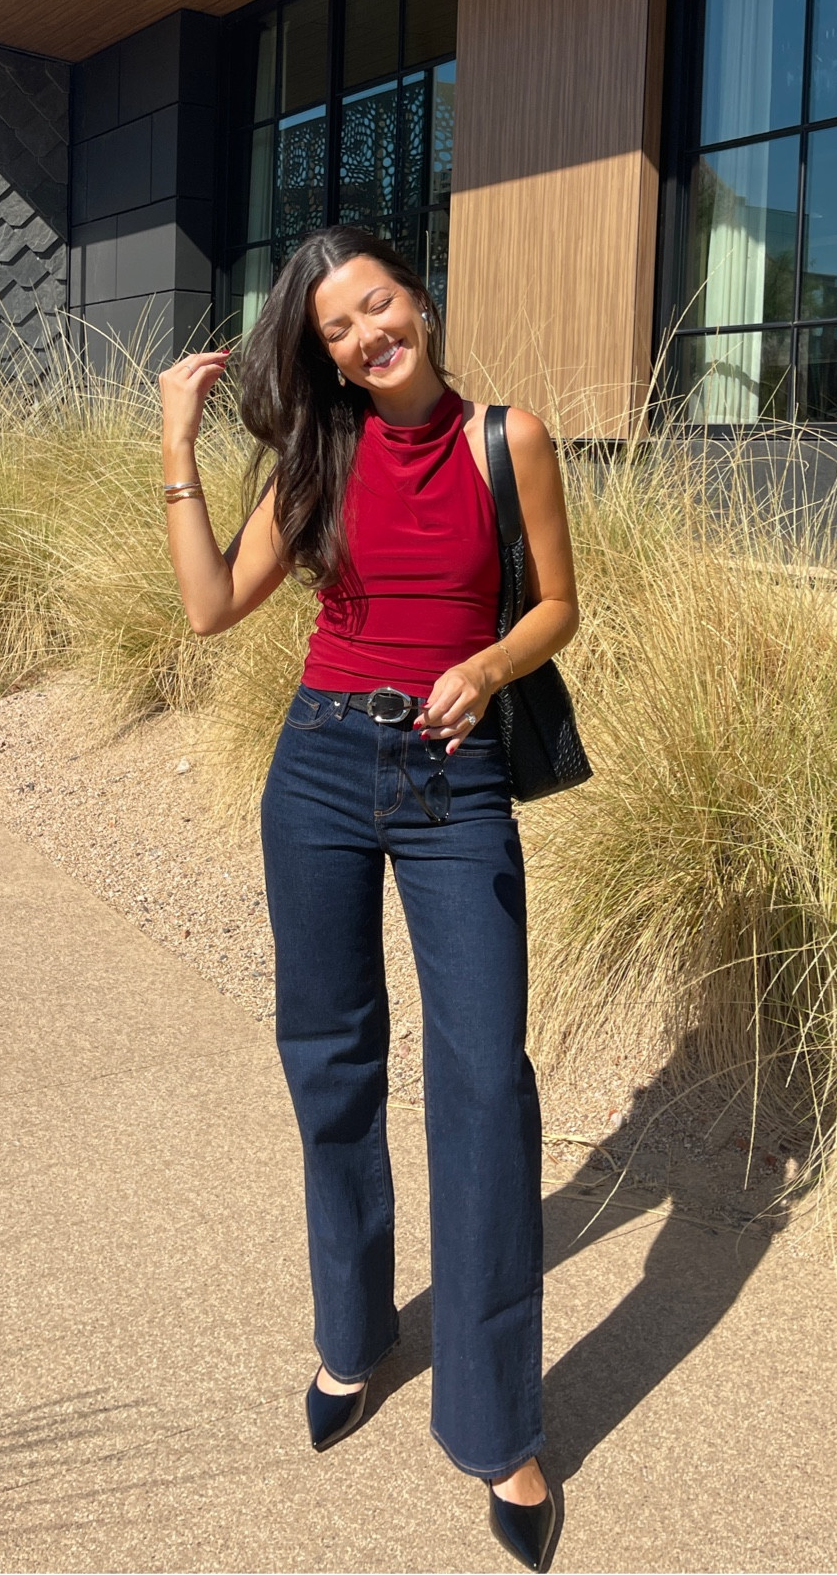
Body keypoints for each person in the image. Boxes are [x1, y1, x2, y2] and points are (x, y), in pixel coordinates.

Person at [158, 226, 579, 1571]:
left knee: (483, 1083)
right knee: (331, 1059)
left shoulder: (507, 439)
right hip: (324, 765)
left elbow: (559, 603)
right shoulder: (318, 457)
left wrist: (491, 661)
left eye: (377, 305)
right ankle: (352, 1337)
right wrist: (177, 441)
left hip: (454, 780)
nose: (363, 336)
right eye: (337, 326)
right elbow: (215, 604)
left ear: (420, 298)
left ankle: (498, 1421)